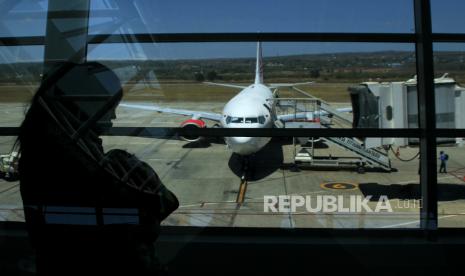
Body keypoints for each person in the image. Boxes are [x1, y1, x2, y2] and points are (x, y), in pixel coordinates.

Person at [17, 62, 178, 275]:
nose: (113, 116)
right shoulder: (90, 165)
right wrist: (123, 160)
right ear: (86, 105)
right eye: (109, 106)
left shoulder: (37, 151)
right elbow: (164, 202)